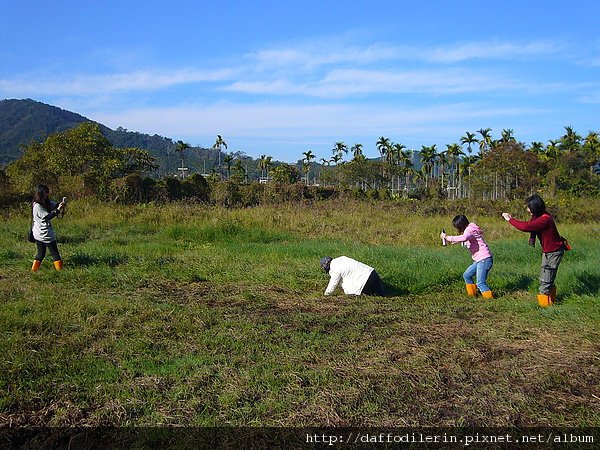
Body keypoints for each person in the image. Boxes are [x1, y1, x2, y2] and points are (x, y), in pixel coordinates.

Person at [502, 194, 567, 307]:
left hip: (553, 252)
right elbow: (532, 224)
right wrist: (532, 239)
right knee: (546, 278)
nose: (527, 210)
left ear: (535, 208)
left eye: (529, 208)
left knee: (545, 280)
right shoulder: (541, 215)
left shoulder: (544, 219)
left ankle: (545, 307)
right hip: (550, 251)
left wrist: (510, 220)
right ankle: (550, 302)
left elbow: (526, 226)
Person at [440, 215, 494, 299]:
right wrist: (454, 241)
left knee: (480, 283)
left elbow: (464, 237)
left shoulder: (469, 229)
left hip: (484, 259)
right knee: (467, 275)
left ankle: (489, 300)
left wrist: (447, 237)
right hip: (479, 260)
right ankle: (472, 295)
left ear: (460, 225)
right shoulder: (470, 229)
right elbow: (468, 240)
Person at [31, 184, 66, 272]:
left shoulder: (44, 201)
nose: (47, 194)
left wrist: (61, 204)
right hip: (44, 233)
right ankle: (60, 271)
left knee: (41, 253)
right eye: (46, 193)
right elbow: (48, 216)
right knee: (54, 253)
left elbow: (54, 205)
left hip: (38, 233)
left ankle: (34, 271)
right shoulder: (38, 206)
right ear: (42, 193)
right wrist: (58, 210)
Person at [320, 256, 385, 296]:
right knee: (383, 296)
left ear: (326, 265)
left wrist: (326, 295)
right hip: (372, 273)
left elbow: (333, 284)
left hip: (365, 282)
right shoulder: (342, 258)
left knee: (372, 297)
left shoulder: (335, 269)